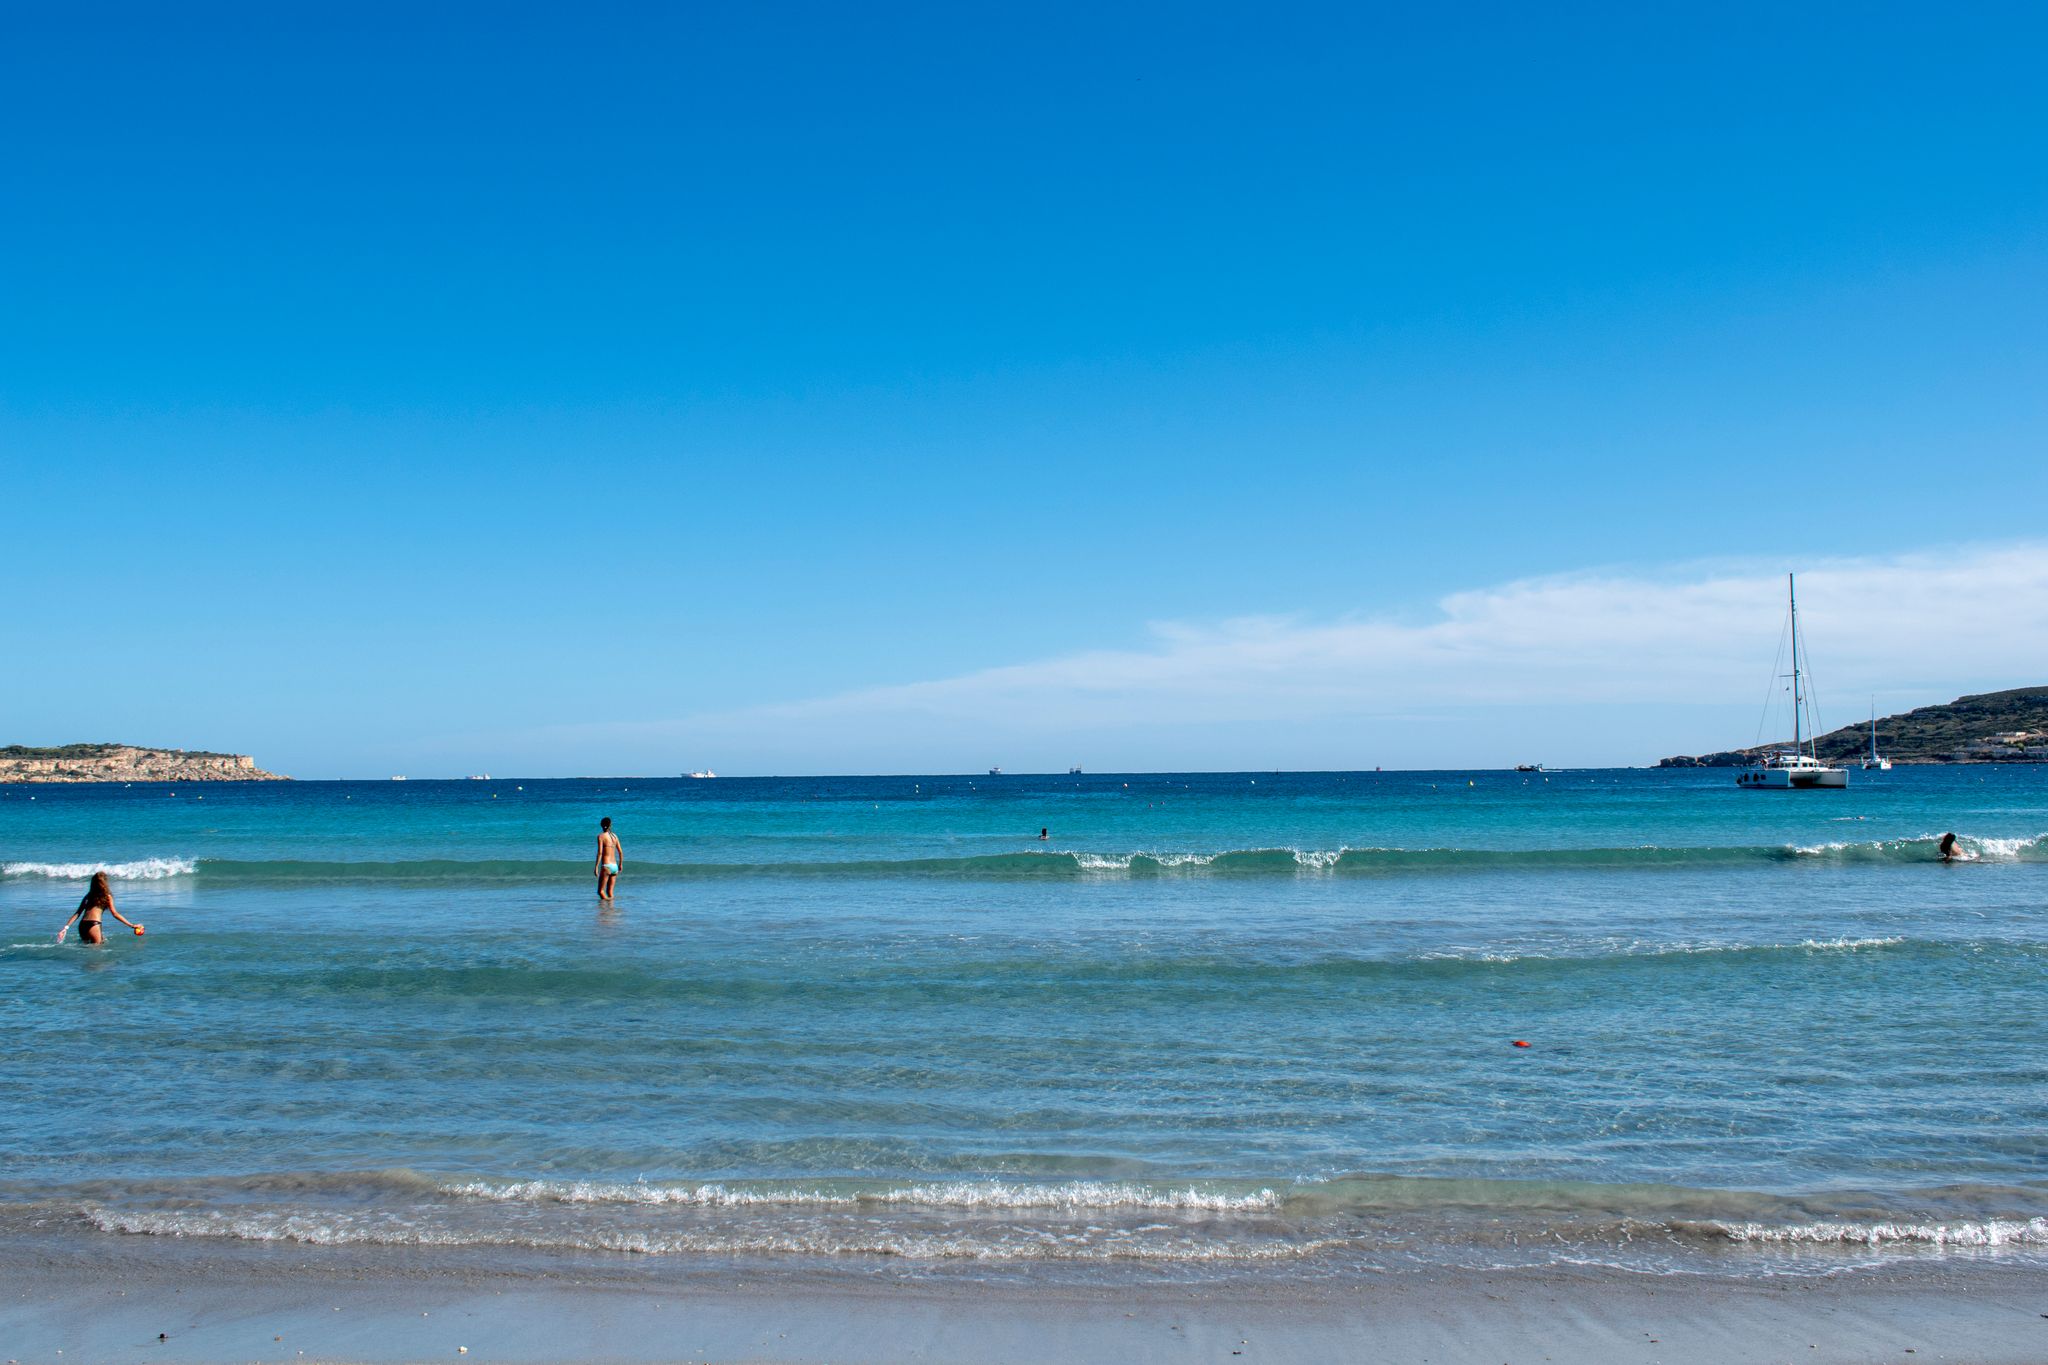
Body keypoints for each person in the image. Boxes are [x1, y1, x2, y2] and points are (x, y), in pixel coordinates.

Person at [61, 871, 144, 944]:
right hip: (94, 924)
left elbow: (78, 913)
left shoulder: (88, 896)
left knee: (90, 946)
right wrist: (131, 925)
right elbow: (115, 914)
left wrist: (65, 928)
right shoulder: (107, 896)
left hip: (82, 925)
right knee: (97, 950)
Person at [595, 817, 623, 899]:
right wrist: (620, 864)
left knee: (600, 891)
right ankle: (611, 909)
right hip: (615, 866)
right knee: (610, 892)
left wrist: (596, 867)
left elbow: (600, 853)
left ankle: (606, 908)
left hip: (607, 866)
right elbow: (620, 852)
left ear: (601, 825)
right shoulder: (615, 836)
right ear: (610, 825)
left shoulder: (601, 836)